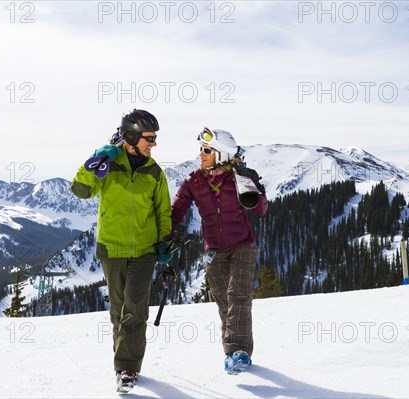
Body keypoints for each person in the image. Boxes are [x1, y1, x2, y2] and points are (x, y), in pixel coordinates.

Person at [70, 109, 173, 392]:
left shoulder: (154, 172)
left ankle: (127, 369)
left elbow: (162, 211)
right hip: (111, 249)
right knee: (119, 311)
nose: (154, 144)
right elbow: (80, 190)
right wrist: (95, 160)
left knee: (136, 310)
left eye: (154, 138)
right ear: (131, 137)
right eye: (149, 138)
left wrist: (165, 241)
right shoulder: (108, 165)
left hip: (144, 251)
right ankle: (124, 364)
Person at [171, 127, 268, 374]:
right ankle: (235, 351)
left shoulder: (239, 177)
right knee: (224, 301)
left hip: (243, 246)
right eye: (201, 149)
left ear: (222, 154)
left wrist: (256, 186)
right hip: (213, 249)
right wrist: (163, 232)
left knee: (238, 295)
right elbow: (176, 210)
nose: (201, 154)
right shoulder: (194, 180)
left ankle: (239, 353)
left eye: (206, 150)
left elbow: (260, 210)